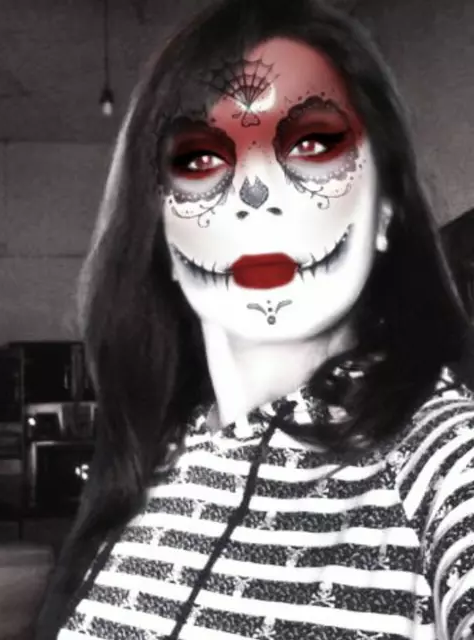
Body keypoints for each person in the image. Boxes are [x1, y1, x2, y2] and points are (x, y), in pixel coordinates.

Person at [35, 0, 474, 638]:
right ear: (161, 230)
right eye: (201, 159)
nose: (254, 195)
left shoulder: (445, 459)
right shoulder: (148, 456)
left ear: (385, 211)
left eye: (312, 144)